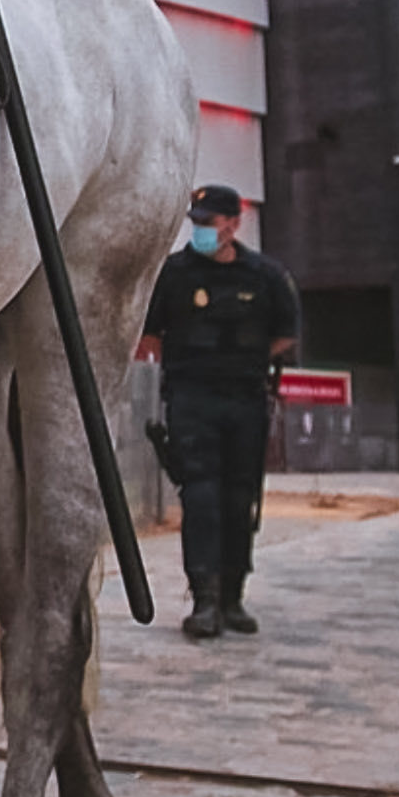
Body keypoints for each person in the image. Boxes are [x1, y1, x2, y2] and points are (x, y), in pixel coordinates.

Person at [138, 185, 296, 638]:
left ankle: (233, 598)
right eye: (198, 222)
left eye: (210, 221)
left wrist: (239, 359)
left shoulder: (265, 275)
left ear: (233, 223)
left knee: (238, 497)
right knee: (201, 496)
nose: (202, 229)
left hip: (245, 397)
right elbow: (149, 335)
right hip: (191, 397)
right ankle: (204, 599)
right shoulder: (174, 273)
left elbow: (286, 332)